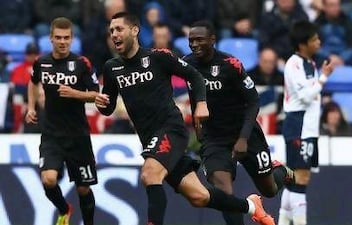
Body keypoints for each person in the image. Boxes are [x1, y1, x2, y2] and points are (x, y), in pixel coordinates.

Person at [95, 12, 274, 225]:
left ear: (134, 30)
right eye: (111, 31)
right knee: (199, 197)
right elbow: (109, 106)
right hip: (150, 138)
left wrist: (200, 104)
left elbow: (195, 76)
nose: (114, 34)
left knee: (150, 175)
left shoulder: (158, 57)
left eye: (119, 29)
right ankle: (252, 206)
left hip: (170, 130)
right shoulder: (111, 68)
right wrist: (103, 106)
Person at [184, 20, 295, 225]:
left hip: (245, 132)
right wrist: (198, 125)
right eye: (191, 41)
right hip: (214, 138)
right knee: (223, 192)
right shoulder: (187, 64)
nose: (194, 44)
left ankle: (279, 170)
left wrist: (243, 138)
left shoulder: (230, 65)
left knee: (269, 189)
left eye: (199, 40)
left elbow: (253, 101)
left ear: (212, 40)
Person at [25, 17, 99, 225]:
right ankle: (64, 209)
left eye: (66, 38)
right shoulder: (42, 62)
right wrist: (31, 107)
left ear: (72, 39)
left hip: (78, 136)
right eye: (58, 37)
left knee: (83, 188)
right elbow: (33, 82)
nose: (62, 41)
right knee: (48, 179)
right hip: (52, 135)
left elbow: (96, 94)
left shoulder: (81, 63)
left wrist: (75, 93)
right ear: (50, 38)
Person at [279, 20, 334, 225]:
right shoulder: (293, 64)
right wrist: (324, 78)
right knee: (301, 179)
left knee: (294, 182)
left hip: (307, 129)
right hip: (298, 126)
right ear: (303, 44)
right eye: (314, 39)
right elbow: (305, 96)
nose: (319, 42)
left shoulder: (309, 63)